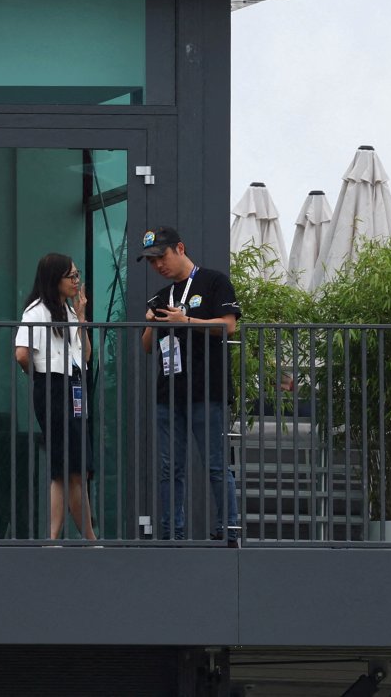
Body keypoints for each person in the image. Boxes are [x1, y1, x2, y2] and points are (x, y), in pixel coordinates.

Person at [138, 226, 241, 545]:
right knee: (170, 468)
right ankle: (172, 533)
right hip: (168, 393)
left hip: (206, 390)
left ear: (179, 248)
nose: (158, 266)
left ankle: (228, 529)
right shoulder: (161, 296)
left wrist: (186, 322)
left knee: (214, 464)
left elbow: (228, 326)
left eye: (161, 257)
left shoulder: (213, 282)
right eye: (152, 262)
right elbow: (146, 346)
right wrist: (151, 324)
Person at [13, 252, 96, 541]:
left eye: (77, 275)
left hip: (73, 385)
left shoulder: (69, 311)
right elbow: (21, 353)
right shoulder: (37, 311)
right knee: (70, 466)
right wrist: (39, 375)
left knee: (70, 468)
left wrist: (82, 317)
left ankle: (55, 537)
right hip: (54, 387)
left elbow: (85, 355)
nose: (77, 281)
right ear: (55, 279)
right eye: (71, 276)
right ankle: (87, 538)